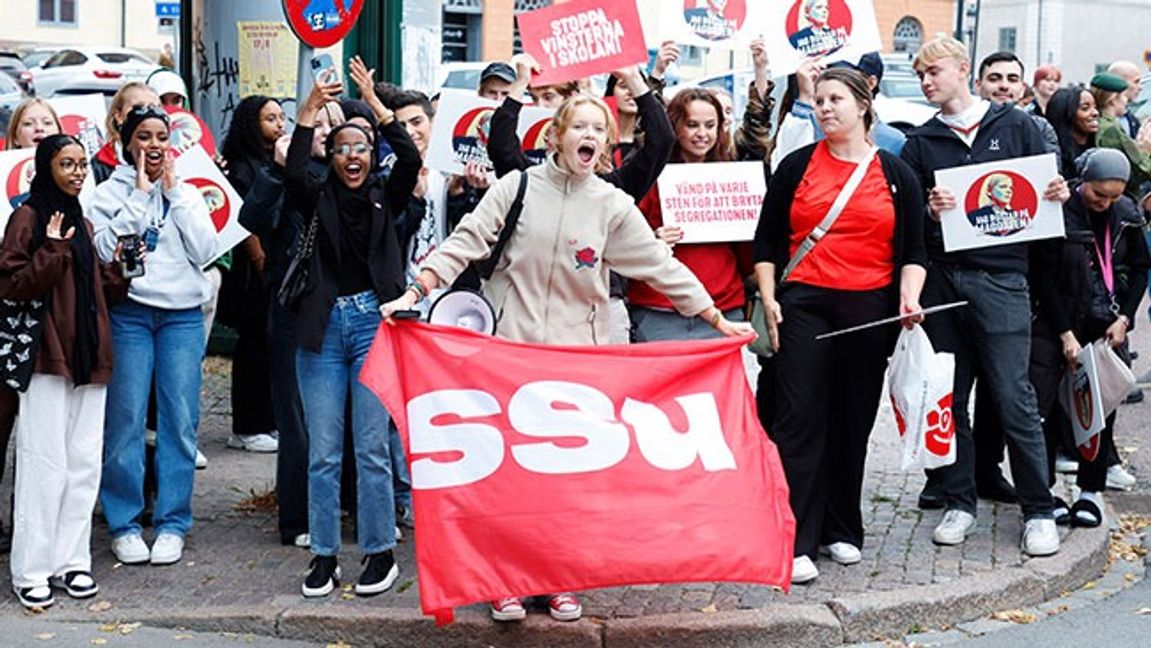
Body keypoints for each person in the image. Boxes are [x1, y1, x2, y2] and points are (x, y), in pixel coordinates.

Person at [379, 93, 753, 622]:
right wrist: (415, 293)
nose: (590, 135)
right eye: (579, 126)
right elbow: (463, 244)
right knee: (510, 480)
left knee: (568, 486)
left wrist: (716, 318)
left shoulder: (611, 204)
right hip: (509, 359)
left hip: (580, 365)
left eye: (598, 129)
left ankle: (560, 581)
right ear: (556, 136)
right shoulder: (516, 188)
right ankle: (505, 581)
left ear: (603, 145)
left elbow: (659, 267)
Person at [754, 68, 927, 584]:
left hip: (870, 310)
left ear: (863, 104)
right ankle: (795, 537)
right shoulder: (795, 166)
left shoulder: (897, 172)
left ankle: (840, 527)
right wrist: (769, 298)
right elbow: (766, 241)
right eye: (820, 99)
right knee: (799, 418)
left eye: (836, 99)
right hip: (804, 303)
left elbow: (915, 251)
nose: (825, 108)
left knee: (853, 420)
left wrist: (909, 296)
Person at [899, 37, 1068, 556]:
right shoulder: (919, 143)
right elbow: (912, 232)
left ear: (962, 69)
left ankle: (1039, 509)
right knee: (948, 397)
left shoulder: (1016, 126)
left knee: (1014, 396)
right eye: (921, 74)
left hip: (1003, 279)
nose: (927, 81)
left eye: (934, 71)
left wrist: (1056, 194)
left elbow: (1044, 207)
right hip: (947, 282)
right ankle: (958, 500)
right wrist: (930, 212)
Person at [285, 57, 419, 599]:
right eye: (341, 149)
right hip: (322, 329)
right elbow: (293, 169)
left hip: (373, 324)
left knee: (370, 447)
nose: (351, 157)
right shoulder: (316, 193)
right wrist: (312, 107)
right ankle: (323, 556)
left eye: (360, 148)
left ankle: (379, 552)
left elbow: (409, 153)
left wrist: (376, 105)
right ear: (332, 156)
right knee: (323, 451)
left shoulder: (390, 191)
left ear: (372, 154)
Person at [0, 135, 129, 609]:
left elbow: (97, 290)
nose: (77, 172)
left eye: (81, 164)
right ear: (44, 167)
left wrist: (121, 271)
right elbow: (12, 284)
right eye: (66, 164)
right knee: (43, 463)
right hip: (46, 356)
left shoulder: (84, 222)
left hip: (89, 358)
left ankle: (71, 561)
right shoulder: (29, 217)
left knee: (81, 463)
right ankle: (31, 569)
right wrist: (52, 250)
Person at [88, 105, 217, 567]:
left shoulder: (186, 189)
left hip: (182, 316)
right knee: (124, 420)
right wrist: (141, 197)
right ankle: (123, 522)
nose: (154, 146)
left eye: (161, 136)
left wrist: (174, 192)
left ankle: (172, 522)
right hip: (131, 314)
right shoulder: (107, 193)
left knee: (180, 421)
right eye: (143, 136)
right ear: (127, 144)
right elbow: (104, 247)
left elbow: (206, 249)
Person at [238, 93, 346, 550]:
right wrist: (278, 173)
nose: (322, 136)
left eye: (330, 128)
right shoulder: (283, 175)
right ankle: (297, 517)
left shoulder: (349, 176)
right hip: (293, 308)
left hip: (342, 311)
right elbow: (253, 219)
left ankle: (344, 506)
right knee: (296, 415)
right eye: (314, 127)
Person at [1031, 148, 1149, 526]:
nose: (1105, 203)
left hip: (1107, 325)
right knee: (1046, 407)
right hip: (1057, 320)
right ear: (1083, 182)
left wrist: (1126, 319)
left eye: (1114, 196)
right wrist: (1065, 333)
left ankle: (1090, 491)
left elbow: (1141, 267)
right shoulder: (1060, 209)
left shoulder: (1127, 214)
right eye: (1099, 194)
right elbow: (1043, 276)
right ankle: (1045, 489)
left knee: (1101, 410)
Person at [627, 87, 751, 342]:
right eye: (692, 125)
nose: (702, 134)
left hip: (723, 307)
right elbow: (624, 242)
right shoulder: (648, 177)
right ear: (675, 126)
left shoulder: (733, 177)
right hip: (660, 310)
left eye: (710, 125)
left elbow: (746, 251)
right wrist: (653, 238)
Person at [0, 98, 63, 553]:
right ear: (15, 134)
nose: (39, 128)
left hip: (54, 323)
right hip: (8, 321)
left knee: (41, 435)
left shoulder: (76, 183)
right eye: (30, 123)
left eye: (48, 122)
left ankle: (32, 526)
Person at [218, 95, 284, 454]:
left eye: (281, 116)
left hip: (275, 263)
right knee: (254, 346)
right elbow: (243, 222)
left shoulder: (274, 160)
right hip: (253, 272)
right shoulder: (243, 167)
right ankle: (247, 425)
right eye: (269, 118)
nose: (279, 124)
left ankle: (269, 419)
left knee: (271, 346)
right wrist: (260, 261)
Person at [1090, 73, 1151, 198]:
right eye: (1123, 96)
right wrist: (1145, 150)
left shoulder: (1105, 124)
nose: (1126, 101)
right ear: (1113, 99)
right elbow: (1135, 174)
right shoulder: (1110, 129)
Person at [1047, 87, 1100, 179]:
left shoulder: (1101, 144)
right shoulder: (1053, 155)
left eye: (1095, 107)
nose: (1095, 113)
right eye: (1085, 108)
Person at [1106, 61, 1144, 140]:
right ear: (1119, 82)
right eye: (1136, 82)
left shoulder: (1132, 120)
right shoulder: (1097, 119)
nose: (1140, 87)